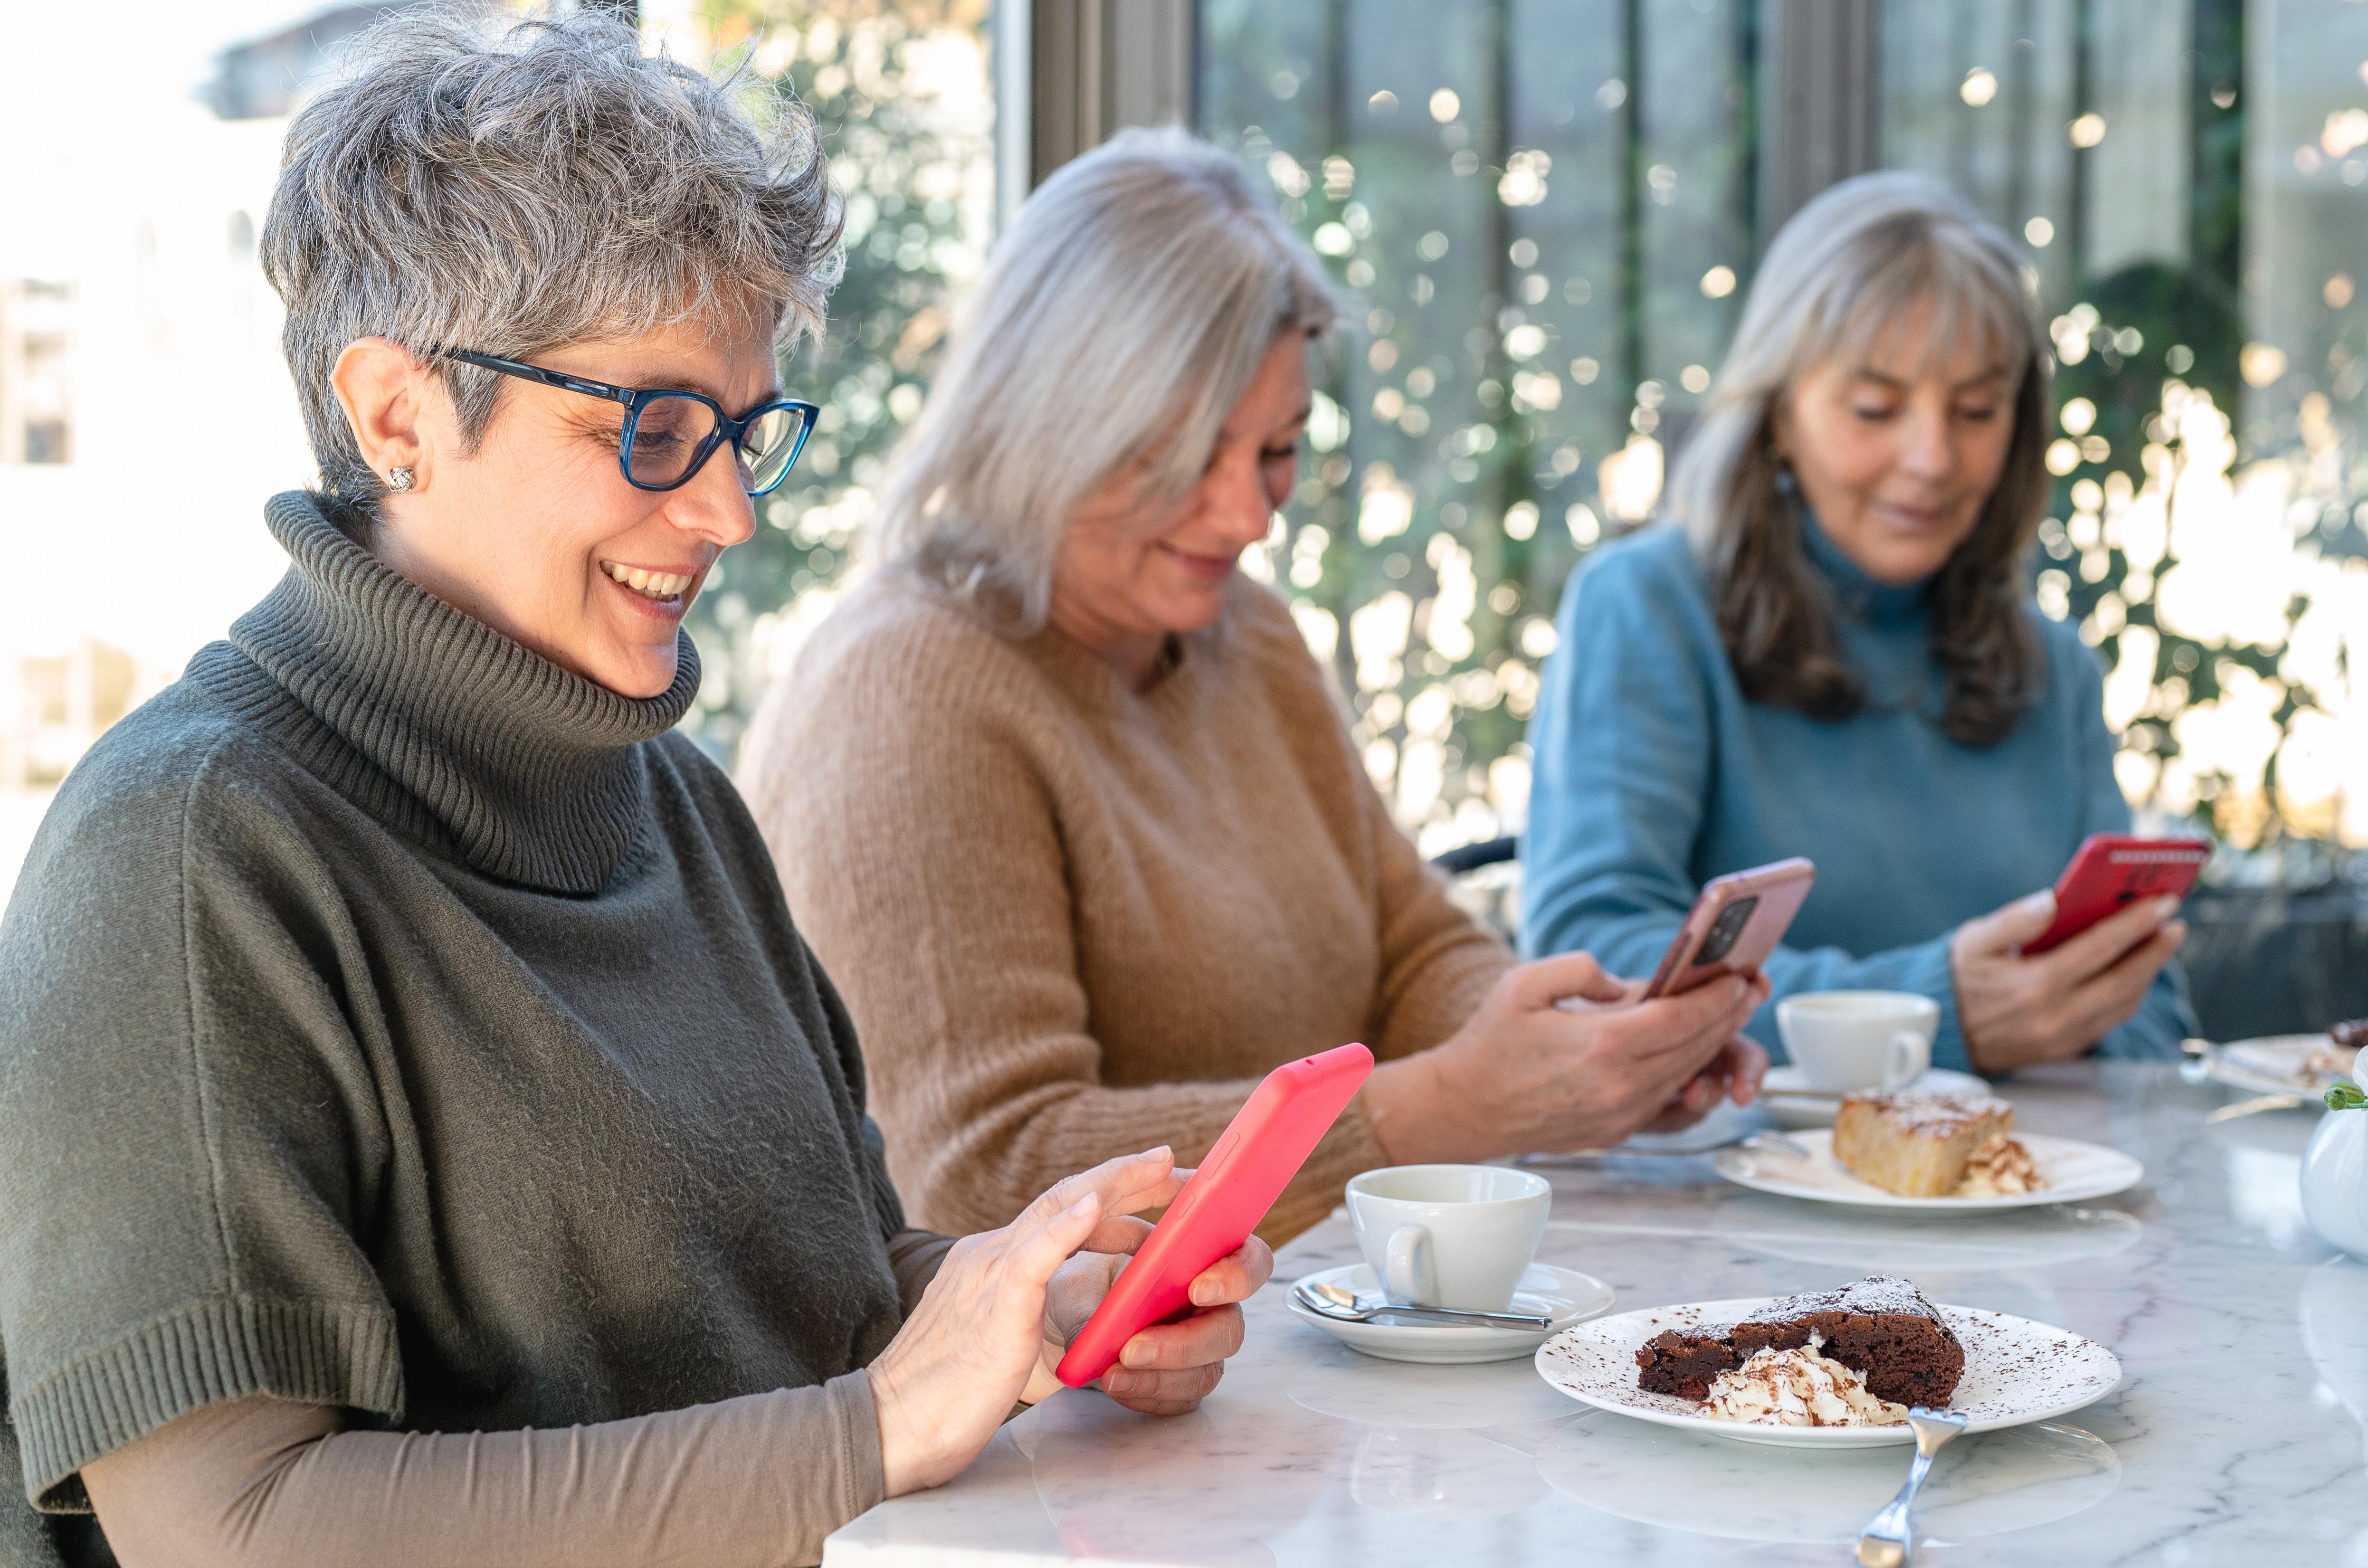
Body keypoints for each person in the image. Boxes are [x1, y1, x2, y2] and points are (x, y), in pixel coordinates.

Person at [0, 9, 1262, 1568]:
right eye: (659, 427)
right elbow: (228, 1529)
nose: (729, 508)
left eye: (744, 429)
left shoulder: (676, 796)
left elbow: (844, 1295)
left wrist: (1022, 1302)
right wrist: (870, 1432)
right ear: (399, 414)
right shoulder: (186, 850)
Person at [738, 127, 1767, 1244]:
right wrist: (1445, 1107)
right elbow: (981, 1181)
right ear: (1042, 425)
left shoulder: (1243, 631)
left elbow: (1412, 946)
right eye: (1181, 461)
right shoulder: (907, 692)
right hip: (1058, 1412)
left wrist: (1574, 1057)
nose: (1247, 515)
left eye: (1278, 449)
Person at [1520, 172, 2196, 1074]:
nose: (1933, 458)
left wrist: (2070, 1017)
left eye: (1977, 410)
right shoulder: (1648, 609)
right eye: (1875, 408)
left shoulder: (2055, 669)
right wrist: (1930, 1017)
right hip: (1735, 1197)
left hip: (2026, 1190)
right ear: (1778, 416)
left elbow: (2148, 1014)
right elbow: (1596, 960)